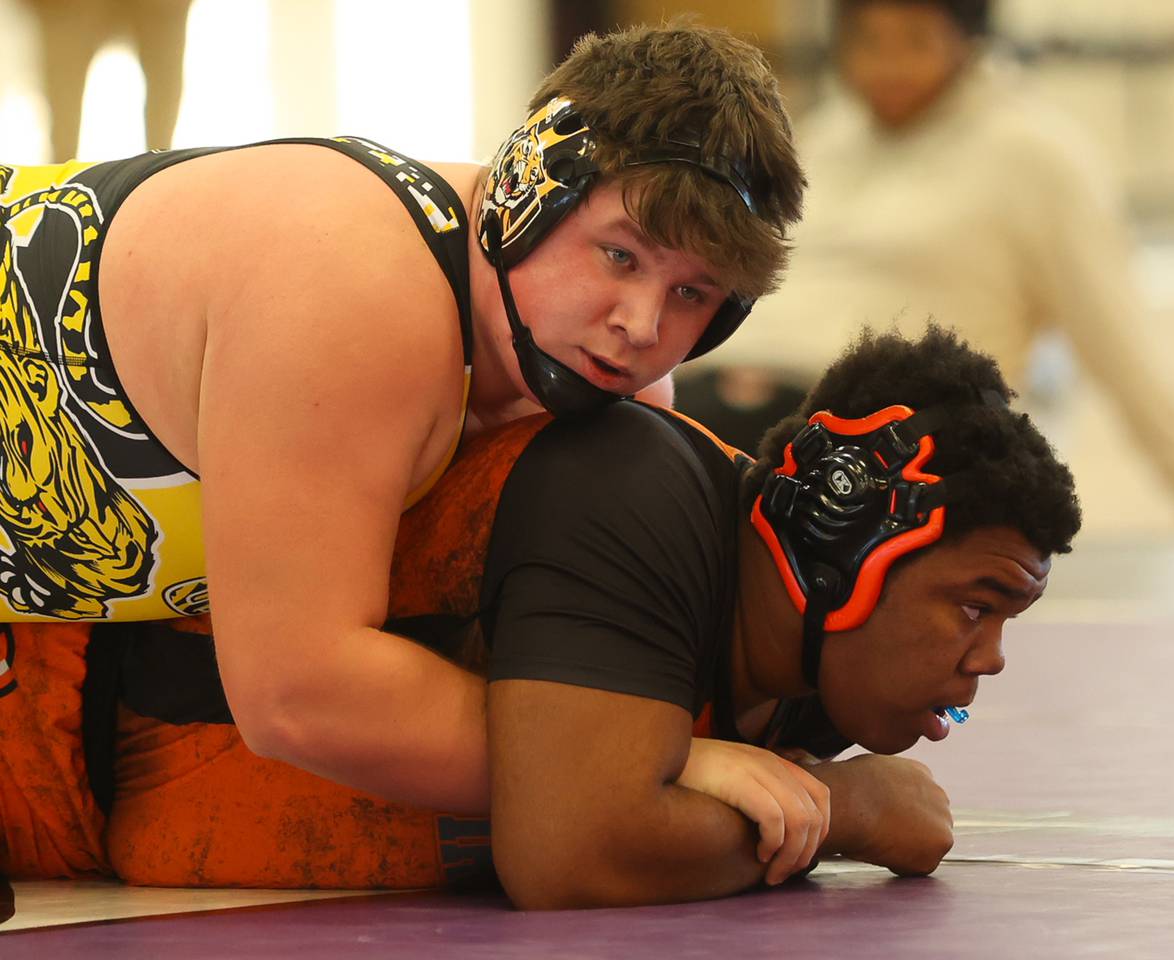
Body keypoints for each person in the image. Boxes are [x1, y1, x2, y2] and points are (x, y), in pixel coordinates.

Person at [0, 21, 804, 818]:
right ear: (527, 191)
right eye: (620, 255)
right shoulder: (354, 291)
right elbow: (297, 693)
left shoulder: (603, 380)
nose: (641, 324)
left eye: (691, 294)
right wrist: (636, 761)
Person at [1, 325, 1083, 909]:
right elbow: (572, 852)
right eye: (972, 607)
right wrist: (834, 811)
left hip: (70, 825)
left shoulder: (800, 693)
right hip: (34, 694)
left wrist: (746, 776)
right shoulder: (632, 489)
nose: (987, 660)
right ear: (850, 549)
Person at [701, 0, 1174, 526]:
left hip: (881, 433)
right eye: (868, 41)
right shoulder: (827, 136)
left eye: (914, 41)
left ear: (967, 38)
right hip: (732, 395)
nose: (888, 65)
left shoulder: (1035, 155)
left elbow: (1114, 332)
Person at [21, 0, 196, 162]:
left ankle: (162, 172)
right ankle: (57, 183)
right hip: (67, 8)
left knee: (162, 145)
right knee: (61, 124)